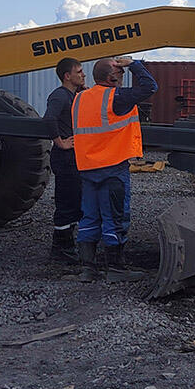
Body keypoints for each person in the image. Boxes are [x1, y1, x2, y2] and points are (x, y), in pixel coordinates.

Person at [71, 56, 158, 283]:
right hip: (112, 169)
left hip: (88, 169)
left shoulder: (80, 98)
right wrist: (133, 64)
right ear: (111, 78)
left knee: (89, 218)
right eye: (120, 73)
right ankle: (117, 269)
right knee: (115, 218)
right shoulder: (116, 97)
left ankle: (88, 270)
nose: (122, 77)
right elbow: (150, 86)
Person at [43, 57, 85, 263]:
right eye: (79, 72)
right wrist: (60, 142)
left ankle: (67, 244)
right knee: (66, 203)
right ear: (67, 76)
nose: (83, 75)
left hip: (73, 158)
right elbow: (49, 119)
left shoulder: (74, 95)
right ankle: (61, 249)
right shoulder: (60, 96)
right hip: (65, 158)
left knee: (76, 201)